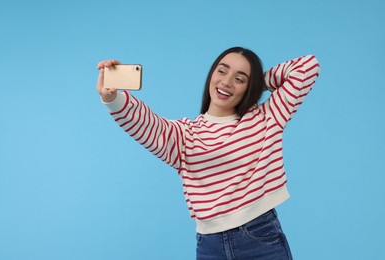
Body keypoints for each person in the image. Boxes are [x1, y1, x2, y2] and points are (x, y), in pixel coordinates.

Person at [96, 47, 320, 260]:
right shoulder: (185, 135)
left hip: (260, 236)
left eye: (240, 79)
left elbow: (308, 66)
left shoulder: (267, 117)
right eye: (222, 71)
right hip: (210, 245)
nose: (226, 82)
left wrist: (258, 83)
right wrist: (113, 99)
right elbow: (147, 124)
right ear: (211, 74)